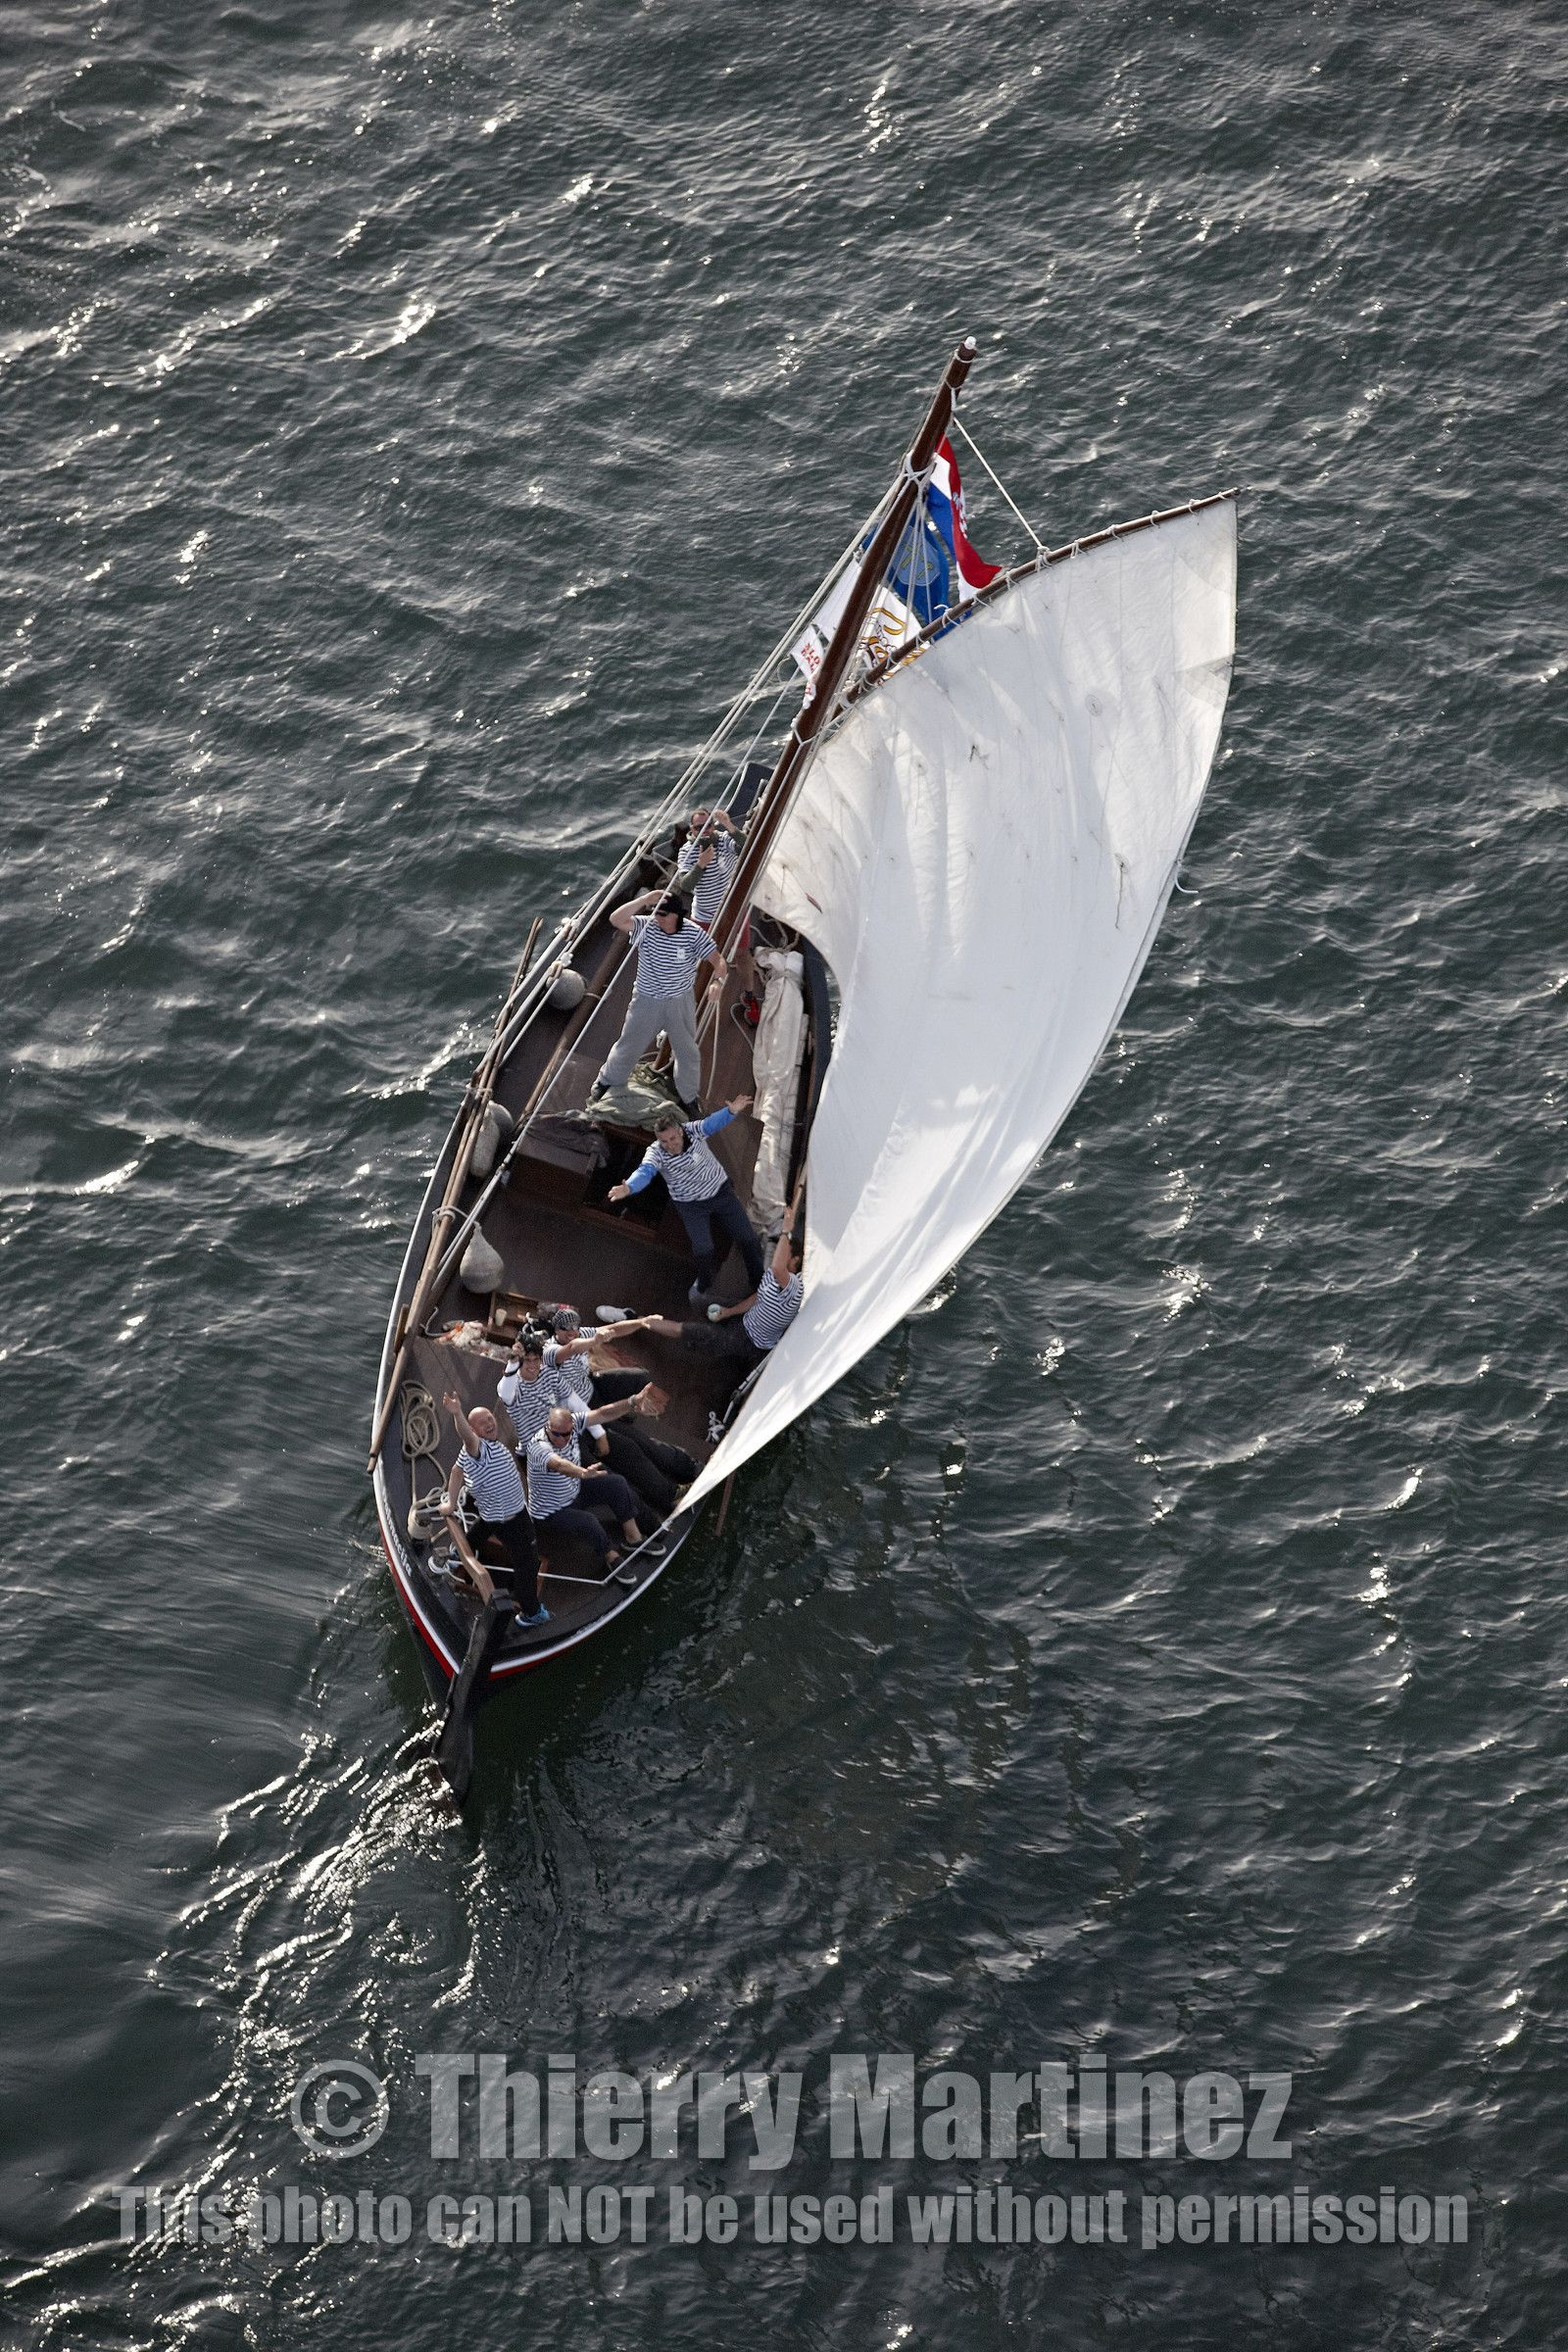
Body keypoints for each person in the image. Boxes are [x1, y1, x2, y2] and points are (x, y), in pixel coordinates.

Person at [608, 1094, 763, 1301]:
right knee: (703, 1249)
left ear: (681, 1131)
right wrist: (629, 1188)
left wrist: (731, 1111)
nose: (670, 1145)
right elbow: (645, 1171)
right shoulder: (656, 1152)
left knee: (749, 1239)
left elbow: (711, 1124)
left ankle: (759, 1282)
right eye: (664, 1141)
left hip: (721, 1193)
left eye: (673, 1138)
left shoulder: (693, 1131)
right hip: (691, 1206)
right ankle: (705, 1283)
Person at [590, 887, 727, 1114]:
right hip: (647, 1000)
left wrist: (718, 982)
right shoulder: (647, 926)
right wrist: (644, 899)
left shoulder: (693, 933)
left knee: (687, 1052)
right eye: (655, 913)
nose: (657, 918)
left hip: (679, 1002)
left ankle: (689, 1098)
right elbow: (616, 919)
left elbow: (717, 959)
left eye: (662, 914)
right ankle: (606, 1081)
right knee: (629, 1045)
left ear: (675, 915)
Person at [441, 1390, 548, 1626]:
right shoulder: (478, 1450)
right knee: (526, 1564)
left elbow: (456, 1472)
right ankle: (530, 1613)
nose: (489, 1423)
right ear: (473, 1430)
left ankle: (459, 1554)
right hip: (514, 1520)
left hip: (493, 1515)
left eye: (490, 1418)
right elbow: (467, 1437)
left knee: (481, 1530)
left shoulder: (477, 1450)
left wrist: (450, 1502)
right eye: (482, 1422)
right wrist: (457, 1413)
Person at [525, 1405, 663, 1583]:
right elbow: (559, 1464)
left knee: (617, 1483)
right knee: (588, 1520)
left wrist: (632, 1401)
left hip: (574, 1490)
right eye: (555, 1433)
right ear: (547, 1426)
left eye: (566, 1434)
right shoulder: (538, 1447)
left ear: (572, 1427)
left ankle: (634, 1538)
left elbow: (602, 1414)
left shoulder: (574, 1423)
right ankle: (610, 1556)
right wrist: (582, 1473)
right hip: (551, 1510)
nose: (560, 1439)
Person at [644, 1229, 804, 1365]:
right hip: (744, 1317)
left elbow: (776, 1267)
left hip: (748, 1341)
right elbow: (758, 1297)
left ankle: (637, 1321)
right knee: (696, 1298)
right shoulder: (774, 1274)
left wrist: (786, 1230)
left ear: (794, 1260)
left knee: (681, 1329)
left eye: (781, 1252)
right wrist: (729, 1311)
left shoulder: (794, 1287)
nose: (776, 1253)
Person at [675, 806, 741, 930]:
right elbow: (685, 885)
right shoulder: (686, 851)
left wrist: (729, 825)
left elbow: (748, 848)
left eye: (707, 826)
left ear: (713, 826)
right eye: (698, 827)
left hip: (734, 909)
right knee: (704, 950)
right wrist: (701, 865)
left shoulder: (724, 840)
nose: (703, 830)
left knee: (741, 949)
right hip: (704, 917)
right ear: (692, 829)